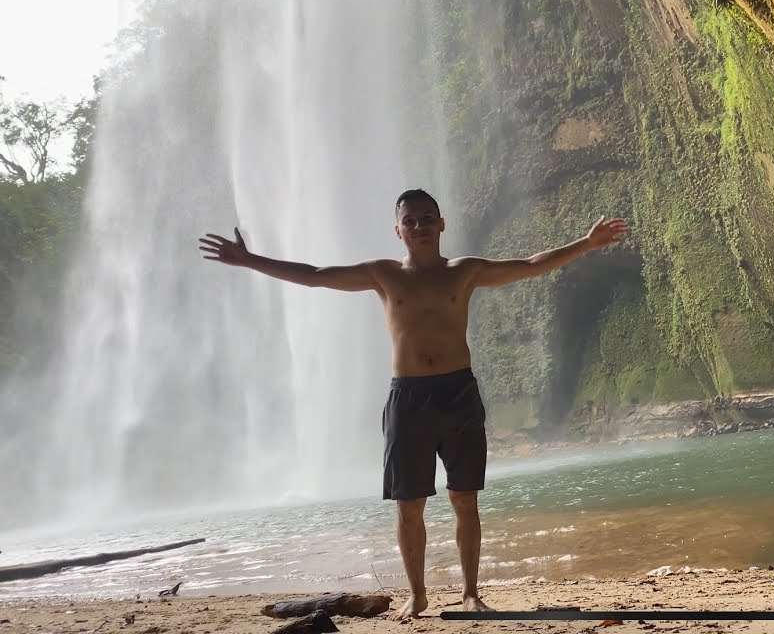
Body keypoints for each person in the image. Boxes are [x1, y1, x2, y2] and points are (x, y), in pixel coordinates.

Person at [198, 189, 630, 620]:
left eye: (427, 218)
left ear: (442, 225)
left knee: (465, 499)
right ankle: (417, 594)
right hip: (408, 398)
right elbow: (314, 274)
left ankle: (470, 593)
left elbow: (531, 266)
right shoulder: (383, 275)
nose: (420, 227)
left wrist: (586, 244)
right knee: (409, 506)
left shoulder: (465, 271)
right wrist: (250, 259)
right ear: (398, 230)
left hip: (458, 392)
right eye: (411, 221)